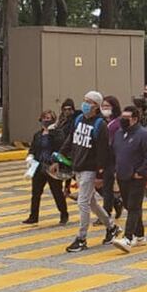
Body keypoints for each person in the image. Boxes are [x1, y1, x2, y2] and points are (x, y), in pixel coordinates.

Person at [60, 91, 120, 252]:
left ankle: (81, 238)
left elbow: (103, 152)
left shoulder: (100, 125)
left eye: (89, 102)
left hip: (90, 169)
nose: (85, 104)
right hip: (78, 166)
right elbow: (71, 139)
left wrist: (100, 175)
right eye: (84, 100)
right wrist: (60, 155)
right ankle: (111, 227)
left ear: (96, 106)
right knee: (91, 202)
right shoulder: (79, 120)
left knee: (83, 202)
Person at [112, 105, 147, 253]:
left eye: (126, 118)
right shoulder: (119, 134)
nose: (123, 121)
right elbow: (115, 152)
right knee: (130, 206)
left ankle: (128, 238)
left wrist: (141, 171)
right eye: (122, 118)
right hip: (122, 176)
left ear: (135, 119)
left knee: (134, 206)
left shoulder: (144, 135)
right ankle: (140, 235)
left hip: (137, 178)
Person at [23, 109, 69, 225]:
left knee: (56, 191)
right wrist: (30, 156)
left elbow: (60, 148)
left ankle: (64, 214)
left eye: (49, 118)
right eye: (44, 118)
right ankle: (33, 216)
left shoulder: (58, 133)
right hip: (38, 166)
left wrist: (57, 163)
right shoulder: (37, 135)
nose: (46, 120)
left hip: (51, 166)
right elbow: (33, 148)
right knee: (36, 192)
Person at [99, 95, 123, 221]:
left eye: (107, 106)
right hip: (103, 158)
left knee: (108, 187)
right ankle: (113, 205)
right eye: (103, 106)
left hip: (113, 158)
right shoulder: (102, 121)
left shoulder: (116, 123)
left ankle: (107, 212)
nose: (104, 109)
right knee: (102, 187)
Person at [56, 99, 77, 201]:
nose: (67, 111)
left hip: (71, 150)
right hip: (63, 149)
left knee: (72, 172)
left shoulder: (75, 119)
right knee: (67, 171)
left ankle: (68, 190)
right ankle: (66, 189)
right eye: (65, 109)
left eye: (69, 109)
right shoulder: (62, 119)